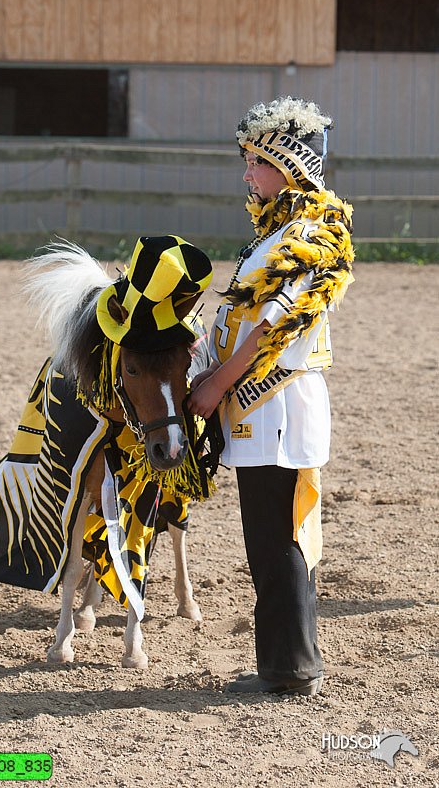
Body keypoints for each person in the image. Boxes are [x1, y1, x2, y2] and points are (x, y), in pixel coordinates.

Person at [188, 97, 355, 696]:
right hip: (263, 407)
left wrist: (216, 382)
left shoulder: (309, 236)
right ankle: (287, 663)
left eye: (255, 161)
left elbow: (274, 328)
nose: (247, 174)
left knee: (277, 538)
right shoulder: (280, 232)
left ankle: (290, 670)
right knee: (269, 536)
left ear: (286, 166)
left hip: (275, 404)